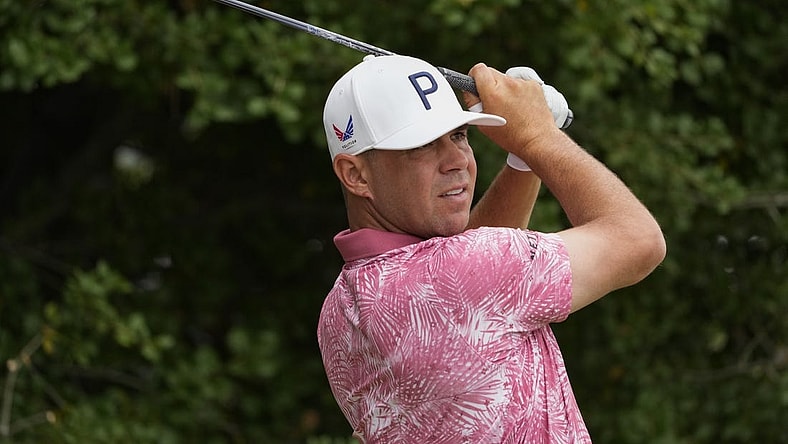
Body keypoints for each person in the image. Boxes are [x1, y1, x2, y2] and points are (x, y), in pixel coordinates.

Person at [317, 55, 666, 443]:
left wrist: (523, 162)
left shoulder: (337, 313)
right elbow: (639, 240)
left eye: (458, 136)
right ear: (356, 174)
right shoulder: (464, 273)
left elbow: (470, 292)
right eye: (421, 146)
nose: (456, 161)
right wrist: (536, 138)